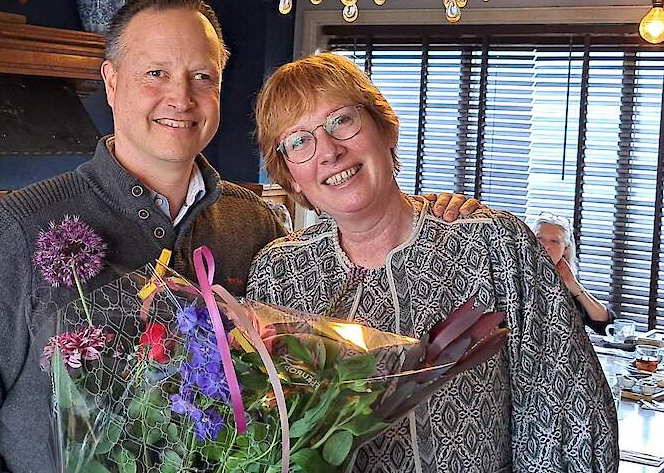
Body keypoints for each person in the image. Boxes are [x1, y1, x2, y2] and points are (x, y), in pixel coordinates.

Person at [0, 0, 478, 472]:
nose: (181, 96)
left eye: (202, 76)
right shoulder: (17, 230)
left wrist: (429, 212)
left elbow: (288, 380)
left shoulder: (255, 227)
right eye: (155, 73)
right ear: (112, 82)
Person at [247, 53, 618, 473]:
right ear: (291, 177)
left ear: (384, 128)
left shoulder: (493, 247)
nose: (329, 151)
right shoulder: (278, 273)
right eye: (299, 141)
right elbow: (268, 435)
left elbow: (568, 416)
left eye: (341, 121)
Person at [533, 211, 615, 333]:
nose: (545, 246)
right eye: (539, 238)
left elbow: (606, 325)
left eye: (554, 241)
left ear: (565, 249)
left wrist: (574, 285)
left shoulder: (567, 282)